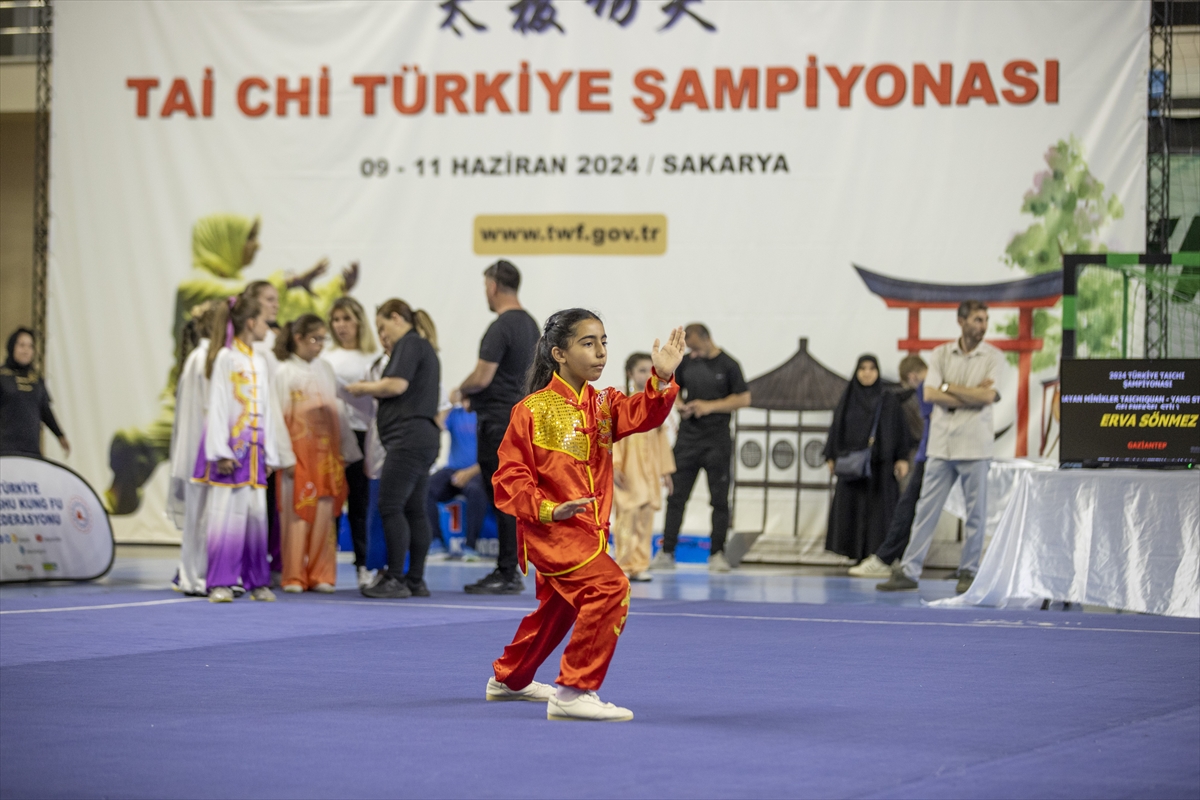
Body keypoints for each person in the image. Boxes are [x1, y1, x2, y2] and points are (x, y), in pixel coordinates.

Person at [487, 310, 684, 722]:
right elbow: (508, 477)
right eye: (588, 343)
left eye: (604, 342)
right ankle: (574, 689)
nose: (600, 353)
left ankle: (509, 678)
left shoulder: (605, 404)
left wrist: (661, 378)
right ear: (558, 353)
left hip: (589, 533)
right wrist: (549, 509)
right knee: (611, 588)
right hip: (552, 532)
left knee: (557, 609)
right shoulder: (532, 411)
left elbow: (645, 411)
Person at [105, 214, 354, 515]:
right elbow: (245, 297)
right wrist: (289, 281)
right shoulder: (194, 287)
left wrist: (334, 288)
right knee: (140, 446)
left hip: (233, 408)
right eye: (249, 238)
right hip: (194, 398)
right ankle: (122, 491)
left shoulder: (248, 353)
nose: (255, 246)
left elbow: (288, 305)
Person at [878, 301, 1002, 595]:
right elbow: (931, 392)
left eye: (985, 320)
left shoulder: (993, 357)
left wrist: (950, 388)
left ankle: (969, 571)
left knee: (976, 514)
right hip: (941, 445)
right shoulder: (940, 354)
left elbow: (989, 396)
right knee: (925, 510)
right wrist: (968, 393)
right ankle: (909, 570)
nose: (982, 325)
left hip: (975, 445)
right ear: (961, 321)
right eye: (976, 319)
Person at [455, 260, 540, 596]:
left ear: (493, 285)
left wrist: (461, 389)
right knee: (511, 497)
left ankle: (507, 571)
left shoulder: (501, 327)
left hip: (498, 424)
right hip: (520, 421)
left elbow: (482, 376)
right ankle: (511, 567)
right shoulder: (533, 326)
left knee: (503, 499)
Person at [195, 294, 287, 603]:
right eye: (264, 320)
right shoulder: (225, 358)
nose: (267, 325)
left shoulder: (259, 362)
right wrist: (220, 450)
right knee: (225, 518)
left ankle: (257, 580)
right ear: (251, 323)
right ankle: (220, 581)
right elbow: (218, 404)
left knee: (256, 518)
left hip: (255, 454)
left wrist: (271, 453)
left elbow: (268, 410)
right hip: (232, 452)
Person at [347, 299, 441, 599]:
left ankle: (396, 578)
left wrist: (362, 388)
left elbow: (396, 385)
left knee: (390, 506)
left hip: (407, 439)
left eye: (382, 327)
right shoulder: (422, 347)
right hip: (422, 438)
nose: (381, 335)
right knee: (414, 509)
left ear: (397, 318)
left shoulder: (410, 344)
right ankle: (415, 579)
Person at [651, 324, 750, 573]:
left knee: (719, 500)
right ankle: (667, 551)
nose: (692, 353)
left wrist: (709, 406)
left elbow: (743, 398)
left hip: (717, 441)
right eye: (689, 349)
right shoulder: (686, 363)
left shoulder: (728, 365)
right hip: (688, 440)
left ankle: (717, 552)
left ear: (707, 340)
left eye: (695, 348)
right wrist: (681, 405)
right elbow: (673, 389)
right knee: (676, 497)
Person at [274, 314, 361, 593]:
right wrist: (284, 455)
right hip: (297, 456)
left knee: (325, 515)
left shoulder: (325, 368)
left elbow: (338, 409)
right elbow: (275, 417)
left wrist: (347, 449)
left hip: (326, 457)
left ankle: (322, 573)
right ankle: (294, 575)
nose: (320, 345)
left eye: (323, 339)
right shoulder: (283, 372)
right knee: (296, 516)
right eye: (315, 339)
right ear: (298, 338)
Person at [822, 355, 912, 564]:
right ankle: (857, 554)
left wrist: (902, 458)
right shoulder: (848, 398)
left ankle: (879, 556)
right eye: (862, 368)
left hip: (881, 467)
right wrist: (832, 456)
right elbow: (837, 428)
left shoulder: (888, 399)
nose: (867, 373)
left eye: (872, 368)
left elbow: (900, 430)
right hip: (854, 468)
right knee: (853, 511)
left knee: (881, 513)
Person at [849, 355, 929, 578]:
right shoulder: (922, 392)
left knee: (910, 507)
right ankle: (900, 561)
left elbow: (911, 430)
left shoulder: (923, 391)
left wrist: (902, 455)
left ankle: (892, 559)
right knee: (915, 508)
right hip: (930, 454)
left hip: (931, 454)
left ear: (911, 377)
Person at [322, 297, 378, 588]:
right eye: (336, 320)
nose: (341, 326)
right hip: (330, 436)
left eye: (346, 319)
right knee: (329, 502)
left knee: (360, 503)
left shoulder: (373, 357)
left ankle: (364, 565)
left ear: (358, 321)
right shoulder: (326, 358)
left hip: (363, 435)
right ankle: (323, 566)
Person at [166, 301, 220, 595]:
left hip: (200, 446)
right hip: (200, 447)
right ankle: (192, 576)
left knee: (203, 516)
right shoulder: (204, 360)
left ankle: (197, 573)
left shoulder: (202, 358)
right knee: (198, 517)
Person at [612, 353, 676, 582]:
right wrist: (614, 466)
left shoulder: (655, 403)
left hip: (648, 472)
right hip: (628, 472)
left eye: (650, 370)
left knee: (645, 519)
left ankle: (639, 565)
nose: (645, 375)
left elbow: (660, 440)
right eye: (640, 370)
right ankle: (623, 563)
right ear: (630, 373)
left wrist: (666, 472)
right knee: (626, 519)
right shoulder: (621, 401)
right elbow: (614, 437)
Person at [426, 398, 487, 560]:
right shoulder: (455, 413)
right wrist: (449, 404)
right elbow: (437, 424)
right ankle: (436, 543)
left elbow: (495, 453)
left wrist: (470, 472)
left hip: (478, 470)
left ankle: (470, 547)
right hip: (452, 470)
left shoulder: (486, 415)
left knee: (476, 491)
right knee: (425, 488)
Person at [0, 328, 69, 458]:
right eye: (21, 345)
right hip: (5, 450)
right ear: (12, 347)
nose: (26, 350)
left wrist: (60, 435)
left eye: (30, 346)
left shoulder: (37, 380)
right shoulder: (2, 376)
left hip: (31, 450)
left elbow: (45, 410)